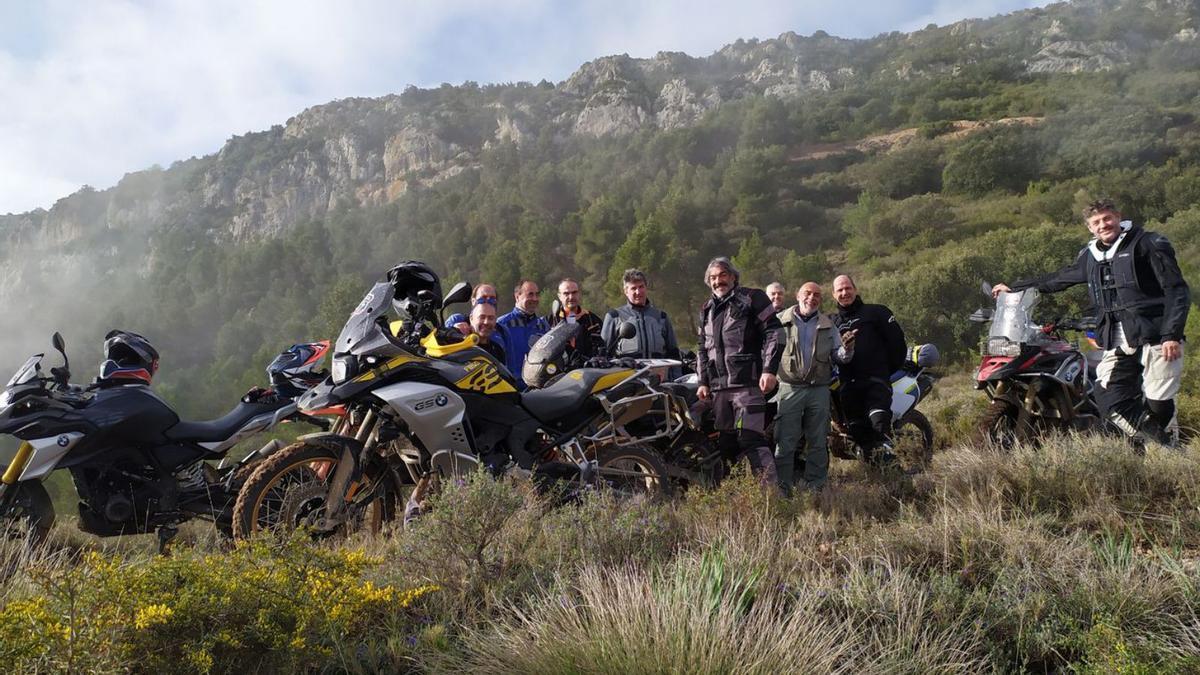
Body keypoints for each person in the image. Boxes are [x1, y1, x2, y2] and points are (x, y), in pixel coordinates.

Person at [992, 198, 1190, 445]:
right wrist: (1015, 288)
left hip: (1157, 335)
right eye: (1096, 222)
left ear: (1118, 217)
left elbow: (1177, 290)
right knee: (1107, 396)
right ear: (1089, 227)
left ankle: (1166, 450)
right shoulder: (1091, 256)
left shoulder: (1149, 243)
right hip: (1118, 337)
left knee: (1158, 400)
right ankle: (1160, 443)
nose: (1103, 225)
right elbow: (1059, 279)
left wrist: (1171, 334)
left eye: (1107, 218)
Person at [696, 257, 784, 486]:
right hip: (718, 387)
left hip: (748, 383)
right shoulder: (706, 309)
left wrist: (769, 369)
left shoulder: (752, 297)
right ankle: (737, 494)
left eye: (723, 275)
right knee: (726, 444)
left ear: (733, 277)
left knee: (750, 438)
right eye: (713, 278)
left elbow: (775, 332)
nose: (718, 281)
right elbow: (702, 348)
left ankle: (771, 496)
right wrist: (703, 381)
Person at [773, 282, 854, 493]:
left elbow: (838, 356)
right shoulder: (779, 322)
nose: (812, 298)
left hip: (819, 390)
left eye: (817, 294)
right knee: (785, 442)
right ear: (797, 295)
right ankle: (783, 490)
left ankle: (816, 487)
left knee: (818, 442)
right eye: (807, 293)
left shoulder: (829, 325)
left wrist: (847, 348)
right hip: (789, 389)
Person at [832, 274, 906, 463]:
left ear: (855, 290)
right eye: (839, 290)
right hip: (848, 386)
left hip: (876, 381)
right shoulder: (830, 323)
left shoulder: (877, 312)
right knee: (859, 433)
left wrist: (884, 370)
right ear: (833, 295)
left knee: (879, 423)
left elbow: (897, 343)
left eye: (847, 288)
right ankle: (878, 474)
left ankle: (896, 474)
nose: (844, 293)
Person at [601, 269, 681, 362]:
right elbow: (604, 354)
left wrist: (675, 375)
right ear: (626, 291)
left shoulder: (662, 317)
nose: (638, 292)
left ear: (646, 287)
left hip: (658, 373)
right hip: (628, 375)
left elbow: (673, 353)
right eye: (633, 288)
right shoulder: (614, 316)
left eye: (641, 287)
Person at [497, 279, 550, 388]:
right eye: (530, 294)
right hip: (510, 388)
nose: (535, 299)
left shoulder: (544, 326)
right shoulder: (502, 324)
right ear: (517, 297)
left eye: (537, 294)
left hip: (538, 389)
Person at [549, 277, 604, 358]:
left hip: (587, 368)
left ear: (579, 294)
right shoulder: (551, 320)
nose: (571, 297)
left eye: (574, 292)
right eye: (566, 293)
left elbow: (602, 347)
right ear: (559, 296)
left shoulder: (592, 320)